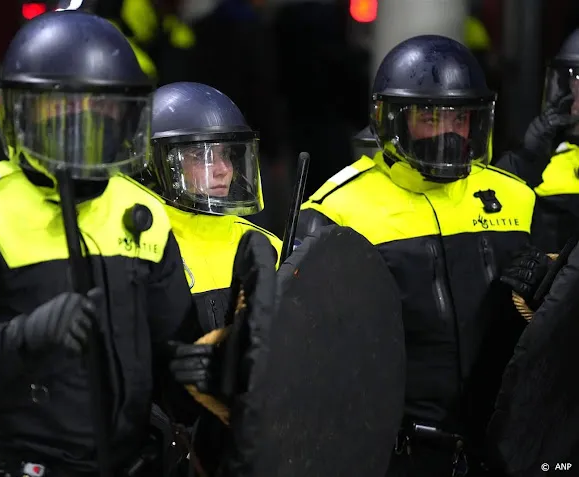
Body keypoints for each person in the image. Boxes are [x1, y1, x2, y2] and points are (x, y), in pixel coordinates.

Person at [0, 11, 205, 476]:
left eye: (105, 110)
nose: (85, 129)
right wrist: (22, 341)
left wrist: (204, 369)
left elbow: (170, 356)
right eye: (64, 111)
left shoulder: (144, 212)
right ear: (16, 114)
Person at [294, 35, 544, 476]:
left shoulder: (515, 198)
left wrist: (545, 290)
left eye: (460, 117)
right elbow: (306, 354)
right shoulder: (336, 210)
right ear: (391, 121)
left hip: (507, 446)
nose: (449, 130)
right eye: (430, 116)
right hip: (399, 455)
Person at [139, 81, 282, 475]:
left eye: (227, 154)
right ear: (160, 163)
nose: (222, 170)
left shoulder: (265, 245)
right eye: (203, 156)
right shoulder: (139, 247)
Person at [495, 28, 579, 253]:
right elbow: (490, 203)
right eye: (573, 82)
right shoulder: (552, 155)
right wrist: (526, 157)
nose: (574, 99)